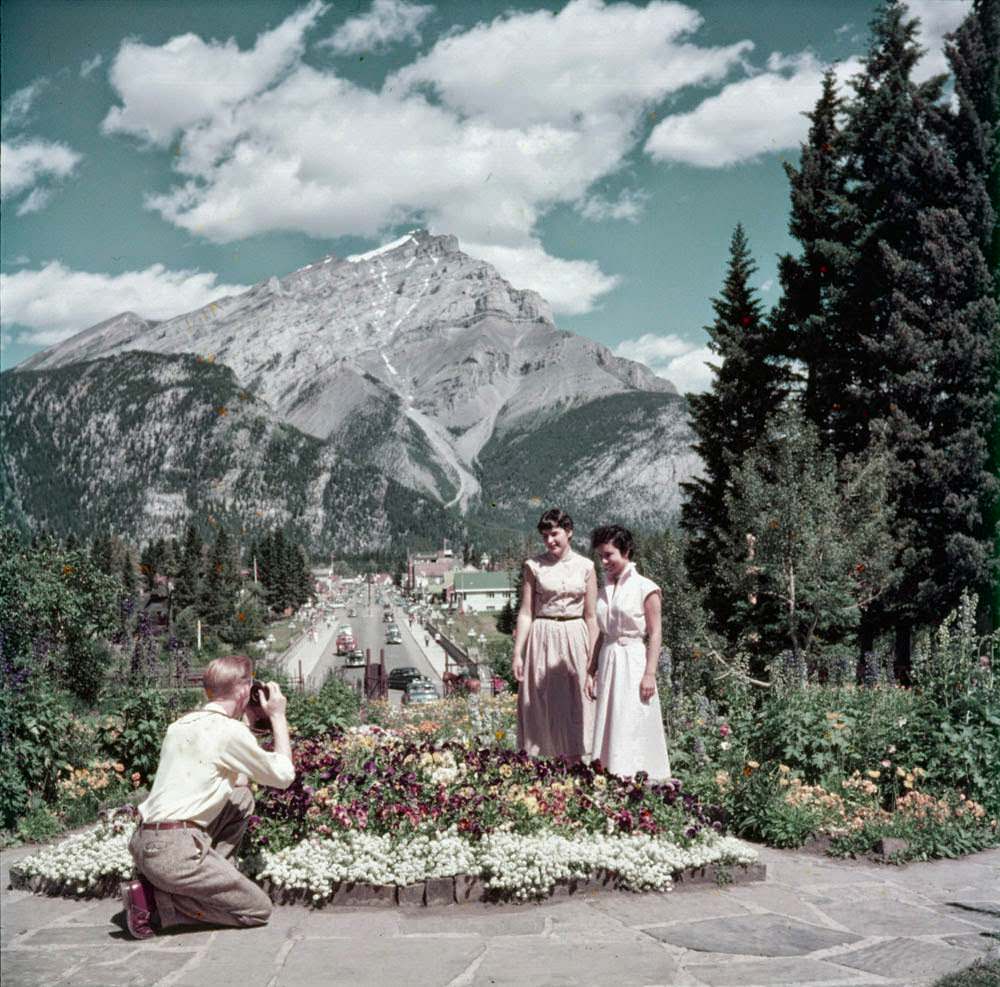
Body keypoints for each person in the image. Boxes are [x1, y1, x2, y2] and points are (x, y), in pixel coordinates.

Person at [120, 655, 295, 939]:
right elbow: (284, 776)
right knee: (257, 909)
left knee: (241, 798)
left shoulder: (179, 726)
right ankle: (155, 903)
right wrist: (277, 716)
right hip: (175, 852)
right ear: (243, 690)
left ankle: (178, 886)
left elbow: (238, 781)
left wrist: (247, 719)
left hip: (144, 844)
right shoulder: (228, 731)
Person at [513, 508, 598, 761]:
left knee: (577, 702)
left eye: (554, 534)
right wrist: (518, 653)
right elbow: (526, 613)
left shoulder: (587, 567)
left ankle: (577, 763)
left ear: (569, 532)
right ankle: (543, 764)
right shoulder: (533, 566)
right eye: (545, 536)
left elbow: (591, 616)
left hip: (576, 637)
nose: (549, 541)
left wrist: (594, 659)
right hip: (543, 636)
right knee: (542, 700)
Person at [586, 525, 670, 781]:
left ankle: (638, 776)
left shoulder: (647, 588)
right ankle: (611, 774)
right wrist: (591, 671)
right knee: (610, 718)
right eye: (600, 555)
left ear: (626, 551)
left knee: (632, 716)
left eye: (609, 554)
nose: (603, 561)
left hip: (633, 659)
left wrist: (650, 674)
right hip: (609, 658)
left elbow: (655, 633)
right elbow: (602, 632)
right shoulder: (605, 590)